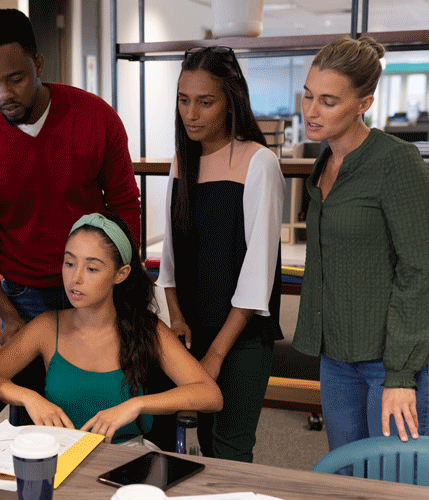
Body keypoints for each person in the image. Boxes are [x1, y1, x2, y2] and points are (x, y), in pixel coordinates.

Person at [0, 8, 141, 424]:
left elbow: (125, 203)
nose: (3, 94)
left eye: (15, 78)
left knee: (105, 402)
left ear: (38, 65)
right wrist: (8, 314)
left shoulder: (96, 117)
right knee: (33, 420)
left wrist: (122, 278)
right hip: (25, 293)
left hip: (96, 278)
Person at [294, 37, 429, 458]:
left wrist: (400, 376)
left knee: (395, 485)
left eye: (328, 101)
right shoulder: (325, 162)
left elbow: (418, 272)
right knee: (347, 480)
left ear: (364, 104)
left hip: (395, 361)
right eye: (308, 95)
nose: (310, 111)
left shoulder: (397, 162)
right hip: (339, 359)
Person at [0, 212, 222, 444]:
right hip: (60, 456)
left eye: (92, 268)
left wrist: (135, 405)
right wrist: (29, 398)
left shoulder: (147, 329)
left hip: (126, 461)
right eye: (69, 263)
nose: (75, 278)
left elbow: (210, 395)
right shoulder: (46, 327)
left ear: (121, 274)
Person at [154, 46, 284, 462]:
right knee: (194, 450)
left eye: (205, 102)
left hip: (240, 339)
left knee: (229, 449)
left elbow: (257, 276)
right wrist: (175, 317)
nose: (191, 113)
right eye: (183, 100)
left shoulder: (258, 162)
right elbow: (170, 259)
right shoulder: (181, 163)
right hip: (190, 329)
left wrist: (215, 354)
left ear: (231, 102)